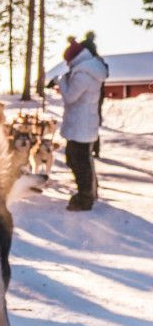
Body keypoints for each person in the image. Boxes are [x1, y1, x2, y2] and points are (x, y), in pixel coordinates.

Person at [57, 35, 107, 211]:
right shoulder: (89, 69)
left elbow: (70, 97)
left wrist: (62, 80)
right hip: (83, 124)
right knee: (80, 160)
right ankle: (90, 192)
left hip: (80, 125)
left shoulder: (83, 73)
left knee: (79, 161)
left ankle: (85, 198)